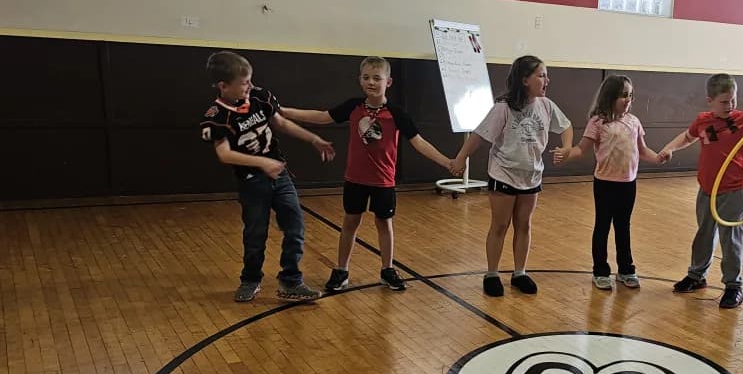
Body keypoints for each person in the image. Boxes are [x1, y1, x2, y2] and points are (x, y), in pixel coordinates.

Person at [279, 56, 455, 293]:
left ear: (388, 82)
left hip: (383, 181)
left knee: (384, 223)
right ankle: (341, 270)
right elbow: (322, 116)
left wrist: (447, 162)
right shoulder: (353, 107)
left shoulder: (396, 113)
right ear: (359, 80)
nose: (371, 82)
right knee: (350, 222)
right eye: (366, 78)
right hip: (355, 180)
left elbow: (419, 143)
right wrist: (284, 111)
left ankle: (387, 269)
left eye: (377, 78)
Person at [200, 50, 334, 302]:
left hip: (280, 176)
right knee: (255, 235)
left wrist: (313, 139)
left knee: (295, 226)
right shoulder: (215, 117)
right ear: (223, 86)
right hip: (252, 183)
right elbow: (225, 154)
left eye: (251, 80)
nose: (250, 86)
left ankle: (290, 281)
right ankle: (250, 279)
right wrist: (261, 162)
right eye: (244, 83)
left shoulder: (260, 97)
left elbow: (281, 123)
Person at [657, 73, 743, 309]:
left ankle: (733, 286)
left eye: (733, 100)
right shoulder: (703, 121)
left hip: (734, 191)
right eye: (724, 102)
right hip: (707, 189)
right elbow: (687, 137)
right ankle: (696, 276)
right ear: (710, 101)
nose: (730, 106)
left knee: (731, 240)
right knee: (704, 234)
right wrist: (669, 148)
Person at [450, 56, 572, 297]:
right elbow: (480, 135)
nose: (547, 80)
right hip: (504, 175)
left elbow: (565, 126)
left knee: (524, 225)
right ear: (525, 80)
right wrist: (461, 157)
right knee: (500, 224)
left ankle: (520, 273)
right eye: (541, 75)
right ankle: (492, 273)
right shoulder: (503, 108)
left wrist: (566, 147)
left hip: (532, 176)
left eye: (546, 75)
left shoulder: (546, 105)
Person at [553, 74, 666, 290]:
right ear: (610, 96)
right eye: (623, 95)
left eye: (631, 96)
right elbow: (581, 149)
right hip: (605, 183)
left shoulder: (634, 122)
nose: (628, 100)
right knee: (602, 226)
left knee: (623, 226)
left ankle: (626, 269)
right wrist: (565, 154)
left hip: (628, 184)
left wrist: (658, 157)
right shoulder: (598, 122)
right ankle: (600, 270)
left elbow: (642, 150)